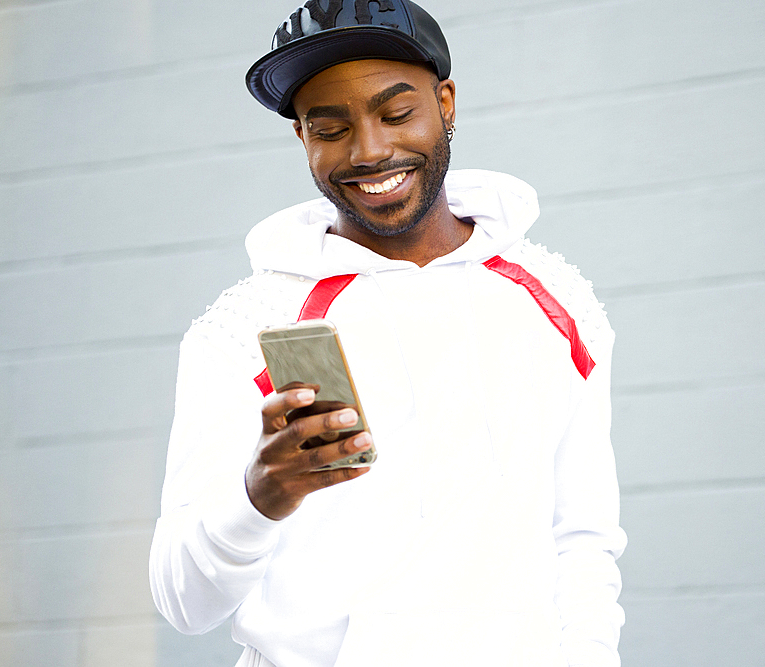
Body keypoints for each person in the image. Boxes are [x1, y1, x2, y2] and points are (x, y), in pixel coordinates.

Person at [149, 2, 626, 665]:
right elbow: (182, 600)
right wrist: (262, 495)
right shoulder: (246, 326)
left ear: (447, 103)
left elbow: (582, 539)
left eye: (396, 113)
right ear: (303, 139)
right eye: (331, 127)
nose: (369, 150)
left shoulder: (556, 300)